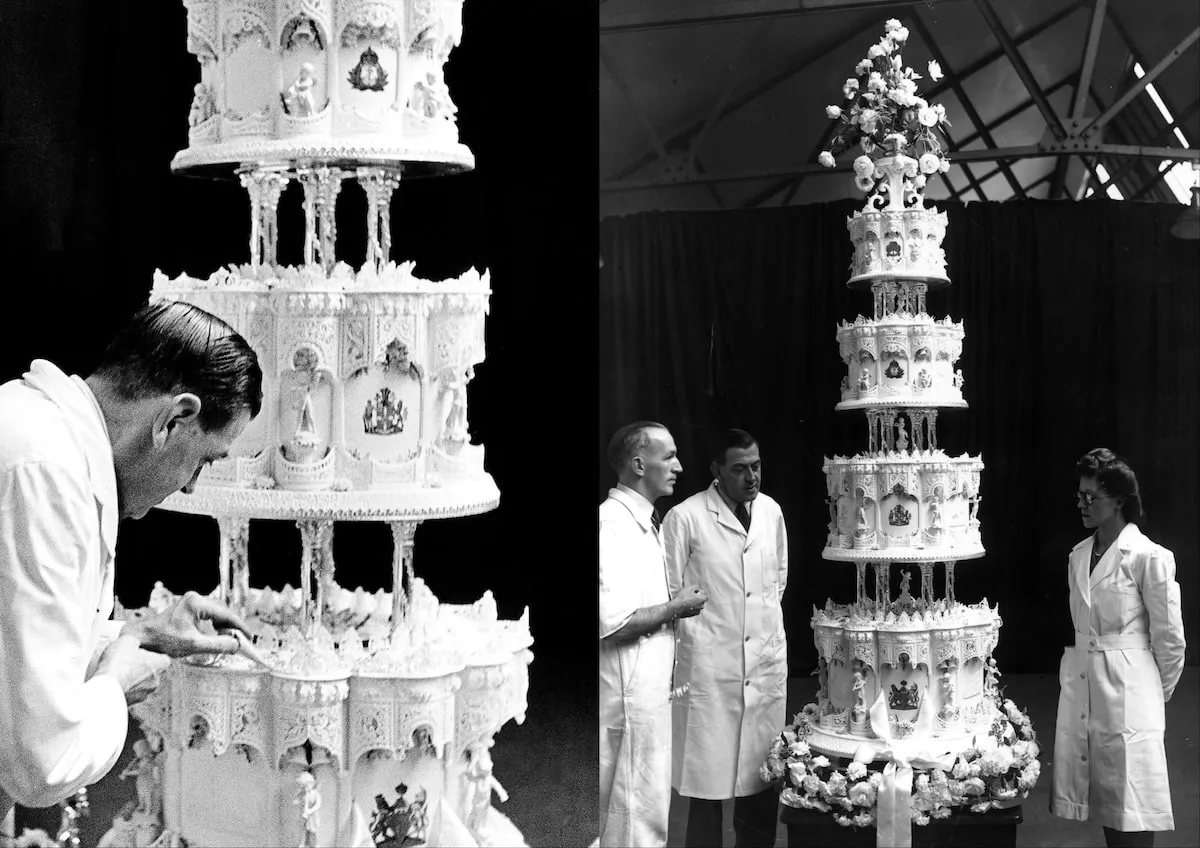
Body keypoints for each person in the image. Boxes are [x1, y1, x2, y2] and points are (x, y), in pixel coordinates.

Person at [0, 301, 262, 820]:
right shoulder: (45, 470)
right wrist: (117, 677)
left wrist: (138, 635)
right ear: (176, 417)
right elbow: (41, 761)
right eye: (205, 460)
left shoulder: (40, 432)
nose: (190, 485)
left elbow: (12, 645)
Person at [1050, 448, 1186, 848]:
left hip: (1130, 691)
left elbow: (1171, 640)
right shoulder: (1078, 557)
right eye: (1080, 495)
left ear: (1120, 500)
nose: (1083, 504)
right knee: (1107, 801)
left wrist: (1149, 696)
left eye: (1091, 496)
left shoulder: (1149, 557)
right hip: (1086, 688)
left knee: (1133, 803)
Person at [662, 428, 788, 848]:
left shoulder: (770, 512)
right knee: (706, 788)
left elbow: (776, 581)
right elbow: (667, 593)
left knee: (760, 783)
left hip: (763, 666)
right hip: (710, 673)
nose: (751, 477)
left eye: (756, 466)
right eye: (739, 469)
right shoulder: (686, 517)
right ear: (717, 470)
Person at [599, 421, 708, 847]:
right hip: (628, 698)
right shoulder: (613, 524)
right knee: (632, 815)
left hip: (643, 696)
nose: (679, 466)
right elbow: (614, 622)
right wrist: (677, 607)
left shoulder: (644, 521)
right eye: (670, 456)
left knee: (643, 811)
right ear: (639, 464)